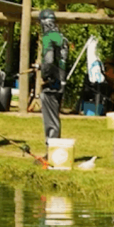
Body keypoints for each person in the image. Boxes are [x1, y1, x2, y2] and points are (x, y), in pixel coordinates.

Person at [36, 10, 68, 139]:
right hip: (61, 80)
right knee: (55, 116)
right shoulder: (61, 37)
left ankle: (52, 150)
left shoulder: (48, 37)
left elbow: (49, 60)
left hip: (52, 83)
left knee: (50, 119)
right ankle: (54, 149)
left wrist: (44, 73)